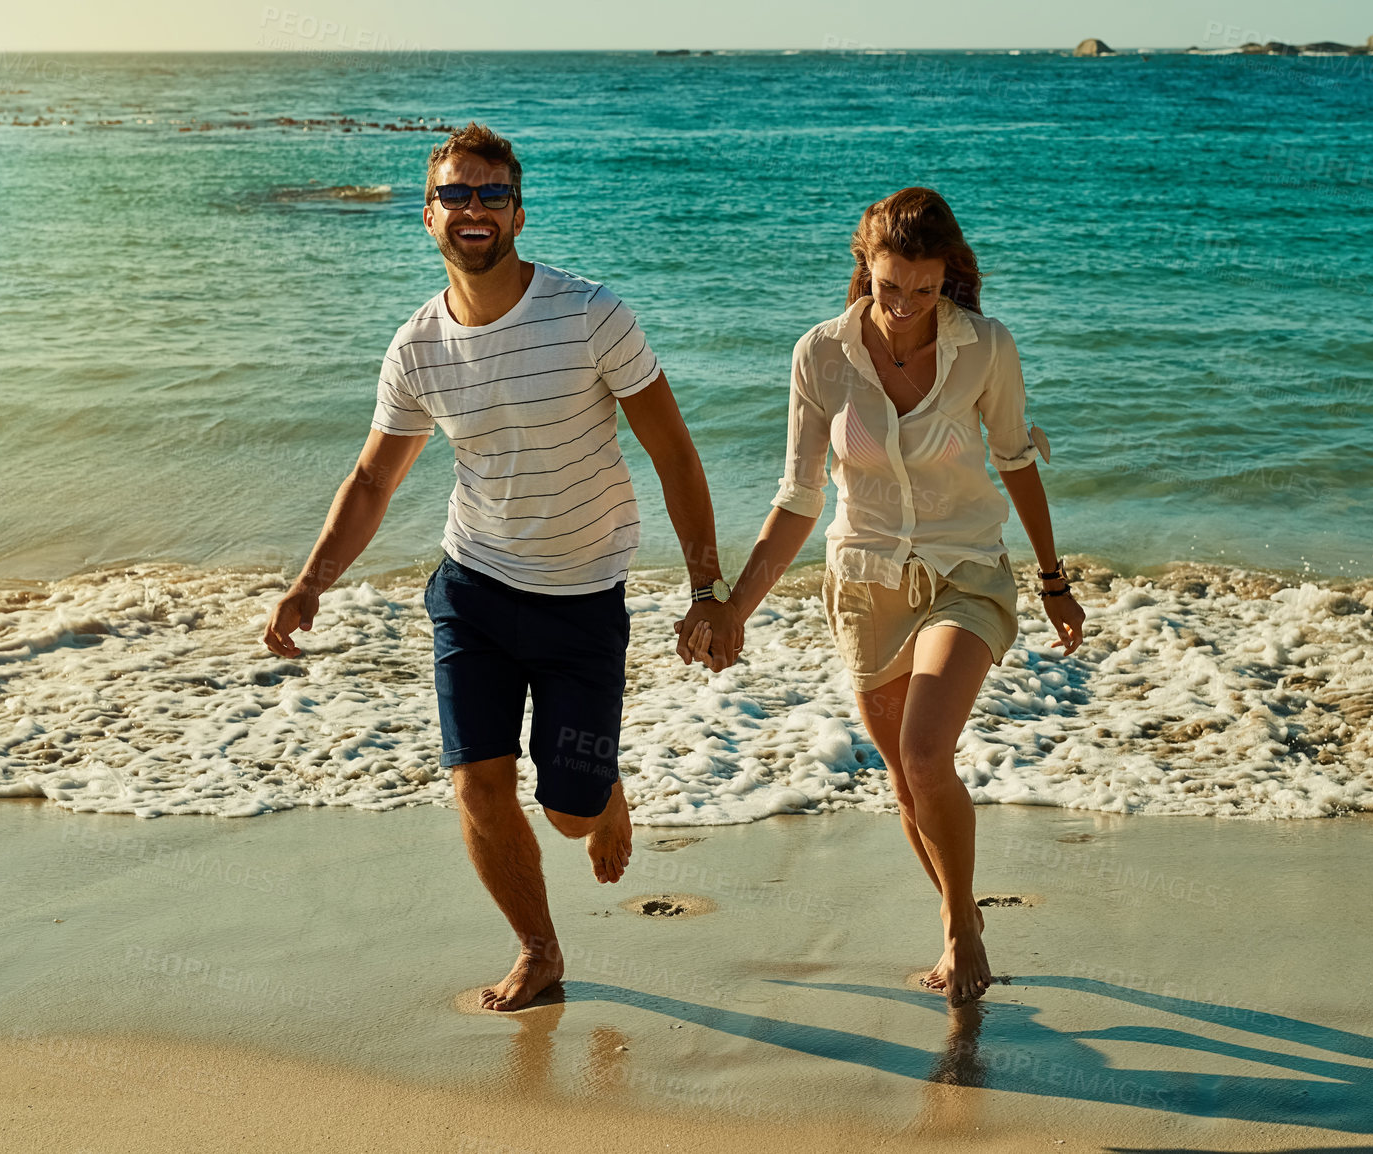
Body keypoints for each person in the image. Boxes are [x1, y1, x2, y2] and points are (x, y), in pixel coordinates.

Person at [262, 123, 730, 1012]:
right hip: (471, 589)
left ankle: (604, 797)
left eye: (490, 194)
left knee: (569, 811)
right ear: (427, 214)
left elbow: (673, 452)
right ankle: (540, 950)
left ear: (518, 210)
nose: (472, 209)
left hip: (583, 600)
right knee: (477, 782)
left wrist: (708, 590)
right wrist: (310, 582)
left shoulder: (592, 314)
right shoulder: (416, 349)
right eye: (454, 194)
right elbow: (372, 477)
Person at [686, 187, 1087, 1005]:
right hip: (864, 584)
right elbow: (798, 500)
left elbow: (1014, 460)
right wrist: (732, 608)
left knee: (924, 753)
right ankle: (953, 912)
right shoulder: (821, 356)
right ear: (863, 268)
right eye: (888, 286)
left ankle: (963, 928)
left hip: (965, 570)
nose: (904, 307)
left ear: (951, 279)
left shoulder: (986, 348)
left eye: (924, 289)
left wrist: (1053, 580)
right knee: (908, 785)